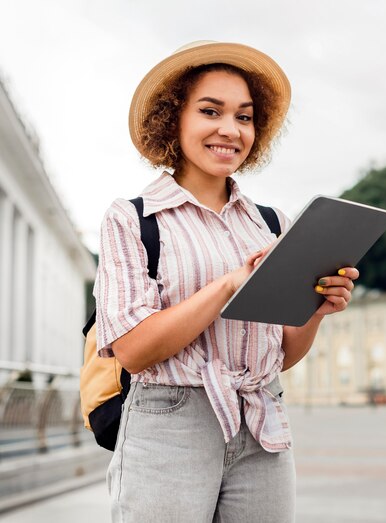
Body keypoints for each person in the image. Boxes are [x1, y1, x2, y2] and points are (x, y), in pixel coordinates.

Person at [94, 41, 359, 522]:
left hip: (262, 422)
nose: (229, 130)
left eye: (244, 116)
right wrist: (227, 285)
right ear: (173, 118)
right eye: (210, 111)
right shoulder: (133, 220)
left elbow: (281, 351)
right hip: (170, 422)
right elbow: (132, 351)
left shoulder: (272, 224)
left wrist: (315, 311)